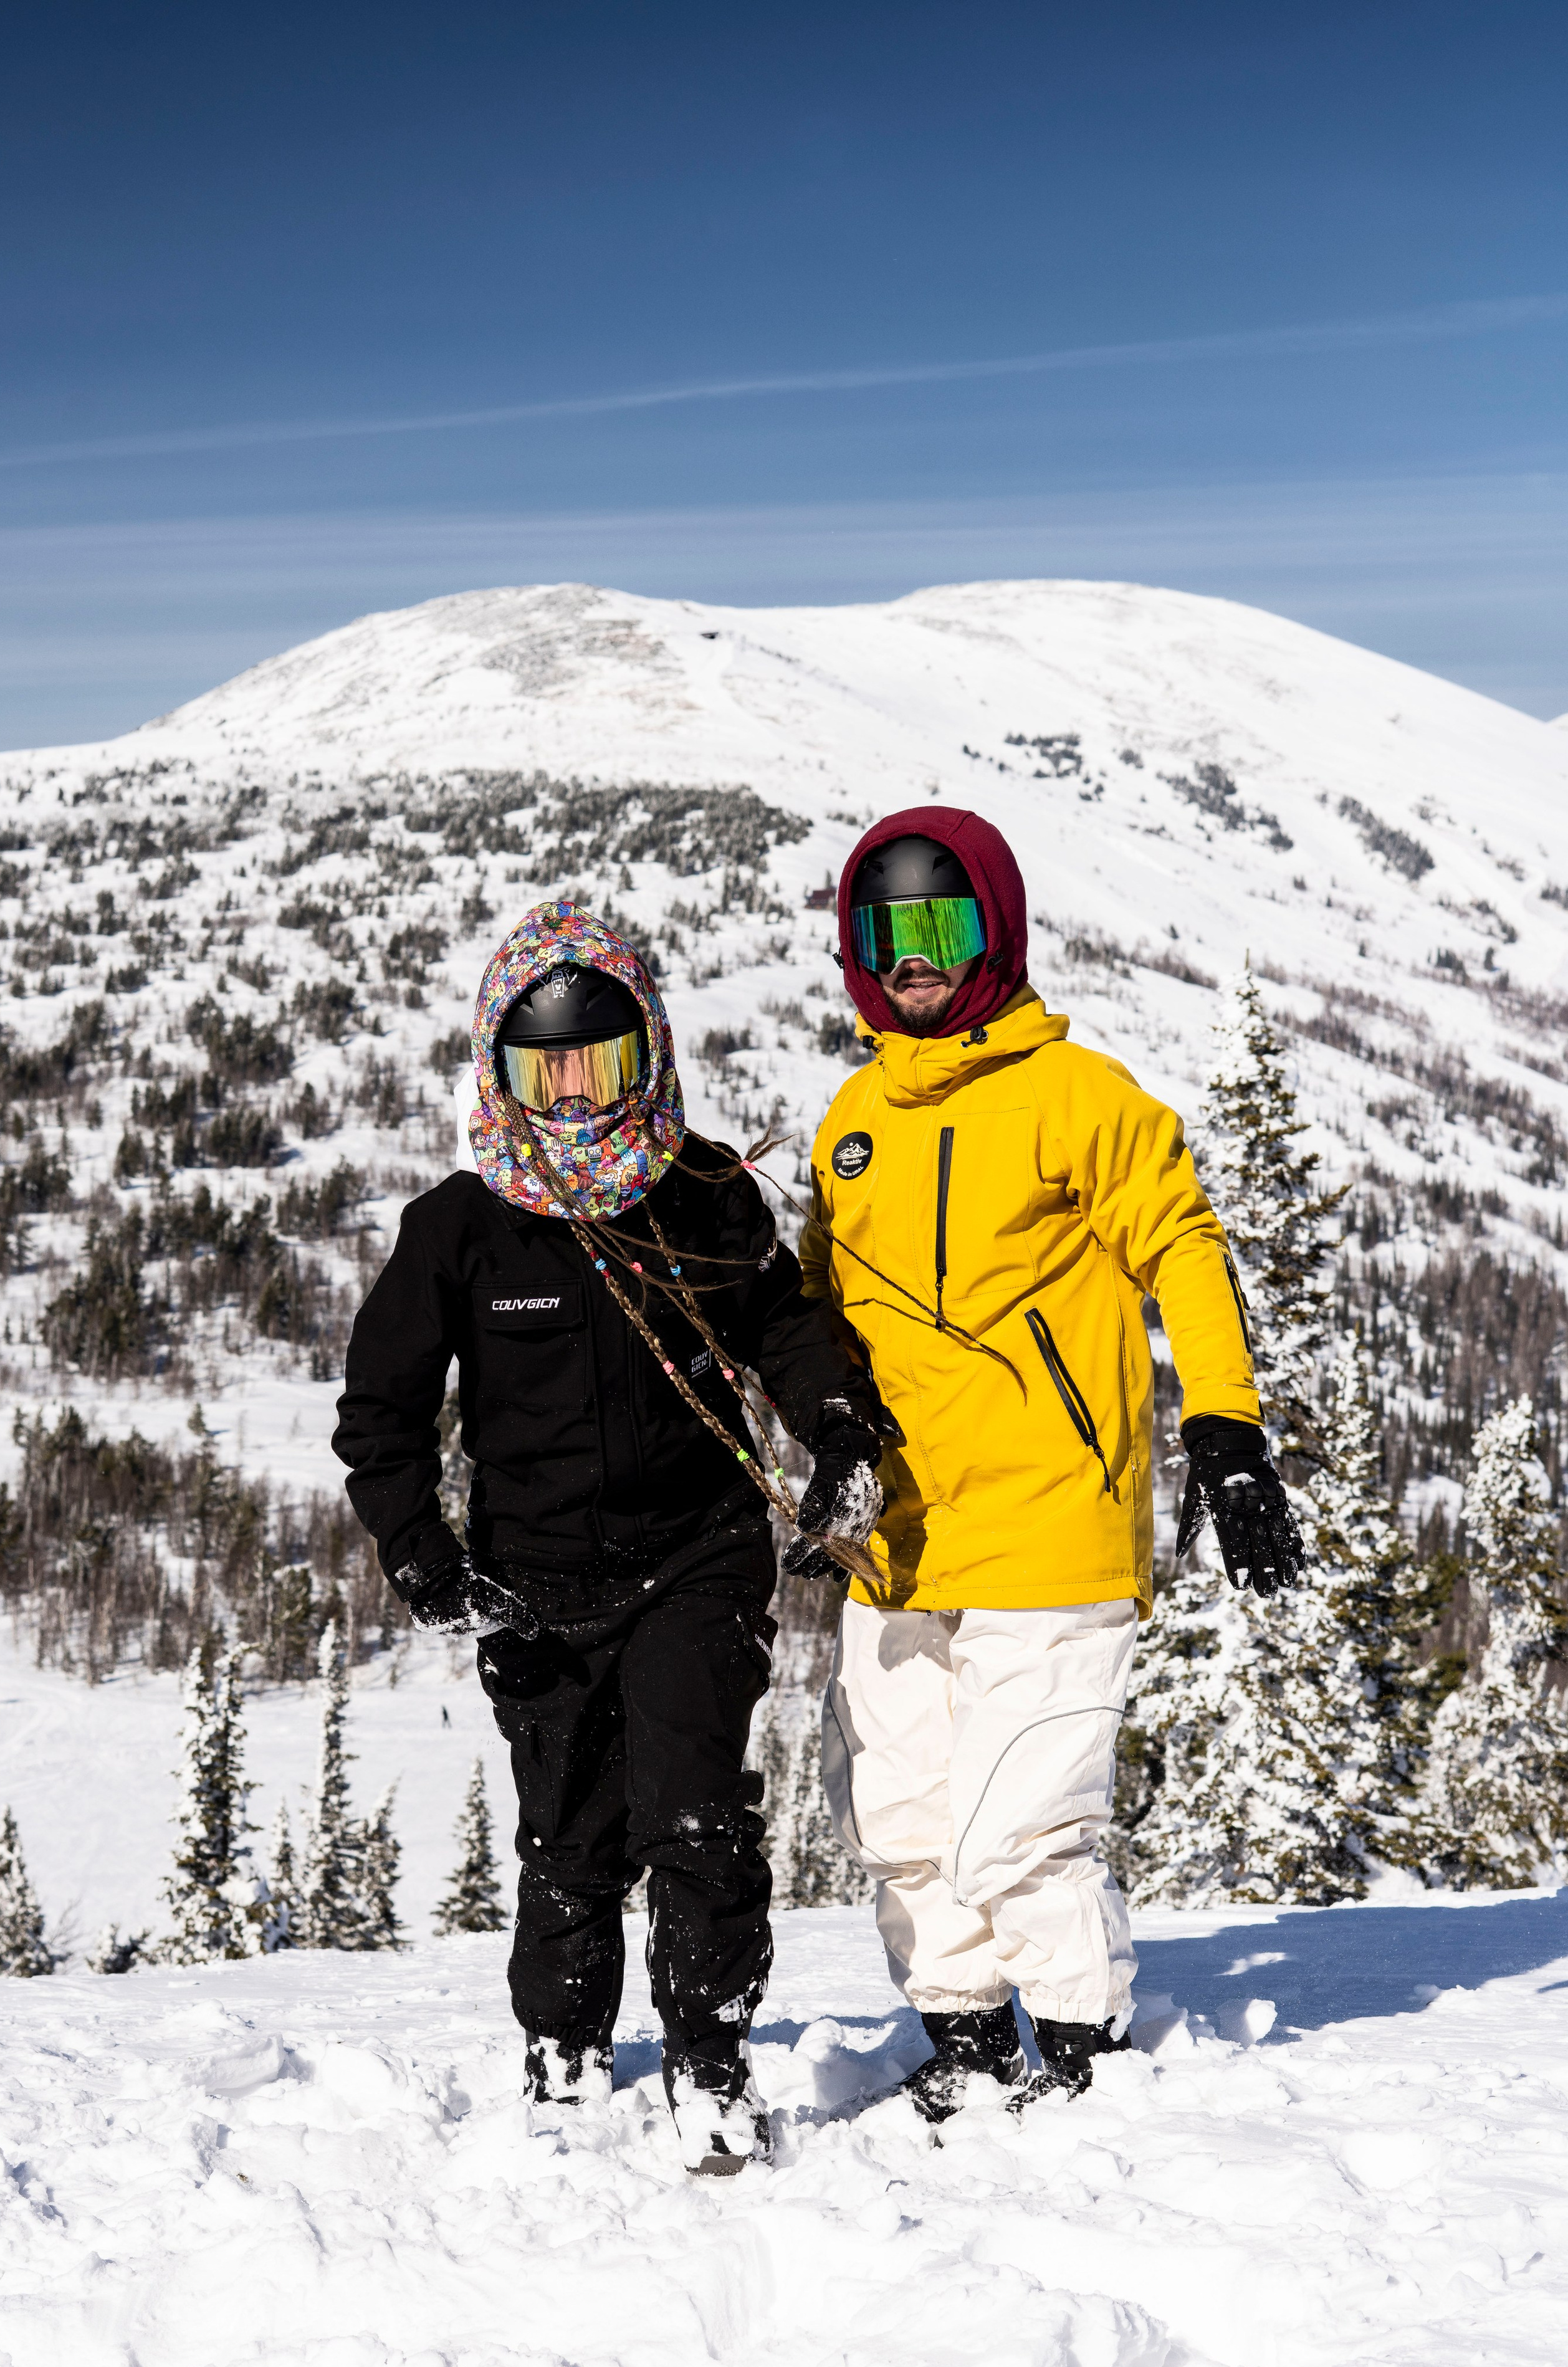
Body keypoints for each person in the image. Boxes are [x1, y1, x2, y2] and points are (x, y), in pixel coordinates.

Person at [333, 901, 883, 2174]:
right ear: (497, 1071)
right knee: (569, 1841)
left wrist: (838, 1427)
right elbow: (382, 1409)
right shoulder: (459, 1229)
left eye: (602, 1063)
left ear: (651, 1054)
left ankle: (708, 2056)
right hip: (532, 1583)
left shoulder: (701, 1194)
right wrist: (416, 1544)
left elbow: (784, 1331)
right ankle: (565, 2048)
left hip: (697, 1555)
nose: (576, 1097)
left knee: (696, 1819)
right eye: (546, 1070)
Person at [796, 808, 1303, 2121]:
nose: (913, 959)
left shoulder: (1084, 1099)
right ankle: (959, 2045)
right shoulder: (848, 1120)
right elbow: (811, 1318)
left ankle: (1078, 2051)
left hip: (1048, 1524)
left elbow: (1184, 1250)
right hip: (897, 1539)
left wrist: (1226, 1432)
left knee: (1020, 1825)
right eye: (885, 929)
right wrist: (824, 1438)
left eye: (940, 924)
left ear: (995, 931)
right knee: (902, 1820)